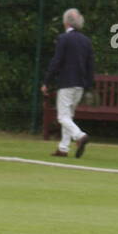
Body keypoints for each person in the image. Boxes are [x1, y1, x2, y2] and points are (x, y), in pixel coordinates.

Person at [41, 8, 95, 158]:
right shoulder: (86, 41)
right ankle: (63, 148)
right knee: (68, 117)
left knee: (62, 117)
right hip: (80, 85)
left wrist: (47, 81)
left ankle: (80, 136)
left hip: (66, 83)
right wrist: (88, 86)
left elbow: (56, 62)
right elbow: (90, 65)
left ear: (66, 22)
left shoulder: (64, 39)